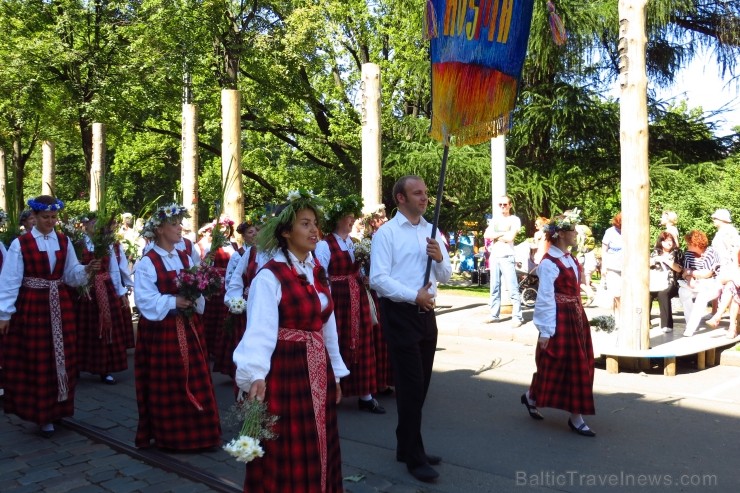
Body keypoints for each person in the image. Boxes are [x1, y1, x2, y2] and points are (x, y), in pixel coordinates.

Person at [233, 189, 349, 492]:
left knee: (318, 438)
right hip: (287, 371)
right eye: (305, 224)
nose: (314, 230)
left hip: (317, 368)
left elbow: (328, 325)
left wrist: (335, 371)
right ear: (286, 232)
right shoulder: (269, 277)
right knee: (289, 444)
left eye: (315, 224)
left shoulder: (316, 271)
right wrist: (255, 374)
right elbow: (259, 329)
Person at [369, 175, 452, 483]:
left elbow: (445, 274)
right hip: (401, 314)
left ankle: (406, 446)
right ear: (400, 198)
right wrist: (412, 294)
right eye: (417, 193)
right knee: (411, 386)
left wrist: (439, 257)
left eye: (426, 192)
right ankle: (413, 456)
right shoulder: (387, 234)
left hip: (427, 315)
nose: (424, 197)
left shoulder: (432, 231)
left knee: (421, 387)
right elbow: (378, 278)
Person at [0, 195, 100, 438]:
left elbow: (70, 275)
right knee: (39, 357)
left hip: (61, 304)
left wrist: (87, 270)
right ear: (34, 217)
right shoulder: (21, 244)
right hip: (33, 305)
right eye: (46, 217)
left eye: (54, 217)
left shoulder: (64, 241)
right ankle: (42, 413)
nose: (51, 222)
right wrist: (5, 313)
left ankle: (60, 407)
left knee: (64, 356)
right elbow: (11, 280)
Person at [133, 204, 221, 450]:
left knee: (197, 376)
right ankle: (172, 436)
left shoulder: (185, 256)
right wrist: (174, 301)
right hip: (163, 333)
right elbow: (144, 299)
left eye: (180, 223)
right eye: (174, 224)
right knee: (170, 381)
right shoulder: (148, 262)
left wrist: (196, 296)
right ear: (160, 229)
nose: (180, 228)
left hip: (189, 326)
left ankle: (201, 433)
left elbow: (198, 283)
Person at [521, 209, 596, 437]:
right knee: (560, 364)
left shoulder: (570, 258)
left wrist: (585, 289)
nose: (576, 234)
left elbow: (571, 286)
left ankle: (532, 397)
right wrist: (545, 330)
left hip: (575, 317)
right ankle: (576, 417)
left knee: (578, 364)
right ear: (561, 234)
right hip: (560, 318)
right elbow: (544, 297)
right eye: (572, 230)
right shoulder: (549, 263)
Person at [316, 195, 386, 414]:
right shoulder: (324, 245)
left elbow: (360, 269)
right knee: (337, 341)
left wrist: (363, 276)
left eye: (352, 217)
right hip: (339, 300)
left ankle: (365, 395)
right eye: (347, 217)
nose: (351, 220)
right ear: (337, 220)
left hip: (358, 297)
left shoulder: (353, 243)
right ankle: (331, 392)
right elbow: (321, 275)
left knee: (364, 343)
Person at [75, 213, 128, 385]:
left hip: (105, 288)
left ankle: (105, 368)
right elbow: (72, 267)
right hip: (85, 289)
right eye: (92, 223)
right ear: (85, 225)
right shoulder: (78, 243)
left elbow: (113, 269)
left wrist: (121, 292)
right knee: (84, 329)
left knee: (106, 327)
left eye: (98, 224)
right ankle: (77, 366)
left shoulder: (106, 244)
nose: (96, 227)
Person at [484, 195, 523, 327]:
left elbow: (511, 237)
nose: (502, 207)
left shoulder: (514, 219)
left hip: (507, 256)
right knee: (494, 287)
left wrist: (496, 235)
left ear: (510, 205)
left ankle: (517, 316)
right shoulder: (495, 219)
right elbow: (486, 235)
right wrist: (502, 234)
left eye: (505, 204)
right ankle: (494, 314)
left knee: (512, 287)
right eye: (500, 204)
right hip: (494, 256)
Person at [678, 230, 722, 337]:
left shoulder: (711, 252)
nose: (687, 246)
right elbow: (686, 271)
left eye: (689, 243)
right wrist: (690, 279)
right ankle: (690, 323)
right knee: (683, 291)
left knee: (702, 297)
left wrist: (690, 273)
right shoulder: (688, 254)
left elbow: (708, 273)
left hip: (713, 284)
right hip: (696, 283)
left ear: (696, 244)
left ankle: (690, 328)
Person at [649, 231, 684, 333]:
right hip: (656, 282)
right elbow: (648, 264)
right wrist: (655, 259)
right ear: (661, 242)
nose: (669, 243)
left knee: (663, 293)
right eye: (666, 241)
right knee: (647, 294)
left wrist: (665, 260)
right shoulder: (655, 252)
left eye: (671, 241)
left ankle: (667, 324)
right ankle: (646, 322)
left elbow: (679, 269)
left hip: (673, 283)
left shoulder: (677, 253)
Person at [601, 212, 623, 326]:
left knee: (624, 294)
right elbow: (604, 250)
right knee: (617, 294)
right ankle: (618, 317)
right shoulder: (610, 232)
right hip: (613, 267)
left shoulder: (631, 231)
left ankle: (622, 316)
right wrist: (603, 267)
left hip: (627, 268)